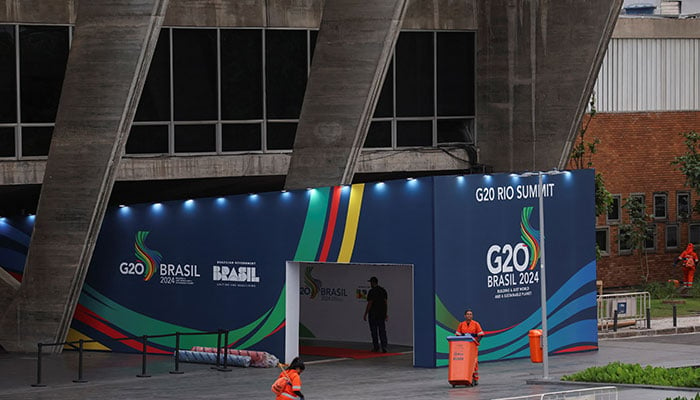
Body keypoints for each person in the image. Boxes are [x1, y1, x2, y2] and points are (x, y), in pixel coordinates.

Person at [455, 309, 485, 385]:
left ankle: (475, 378)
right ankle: (465, 377)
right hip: (463, 347)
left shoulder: (476, 324)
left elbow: (481, 334)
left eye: (470, 314)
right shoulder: (461, 324)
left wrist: (476, 342)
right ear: (465, 316)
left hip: (473, 346)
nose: (469, 315)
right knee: (464, 363)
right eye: (468, 314)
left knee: (474, 363)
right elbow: (457, 335)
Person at [363, 276, 388, 352]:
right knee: (382, 331)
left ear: (373, 282)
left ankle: (376, 347)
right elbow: (385, 303)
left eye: (370, 282)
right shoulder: (383, 290)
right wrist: (386, 313)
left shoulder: (372, 291)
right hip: (381, 314)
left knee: (374, 331)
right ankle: (384, 346)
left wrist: (365, 313)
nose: (370, 284)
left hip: (373, 314)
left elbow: (370, 303)